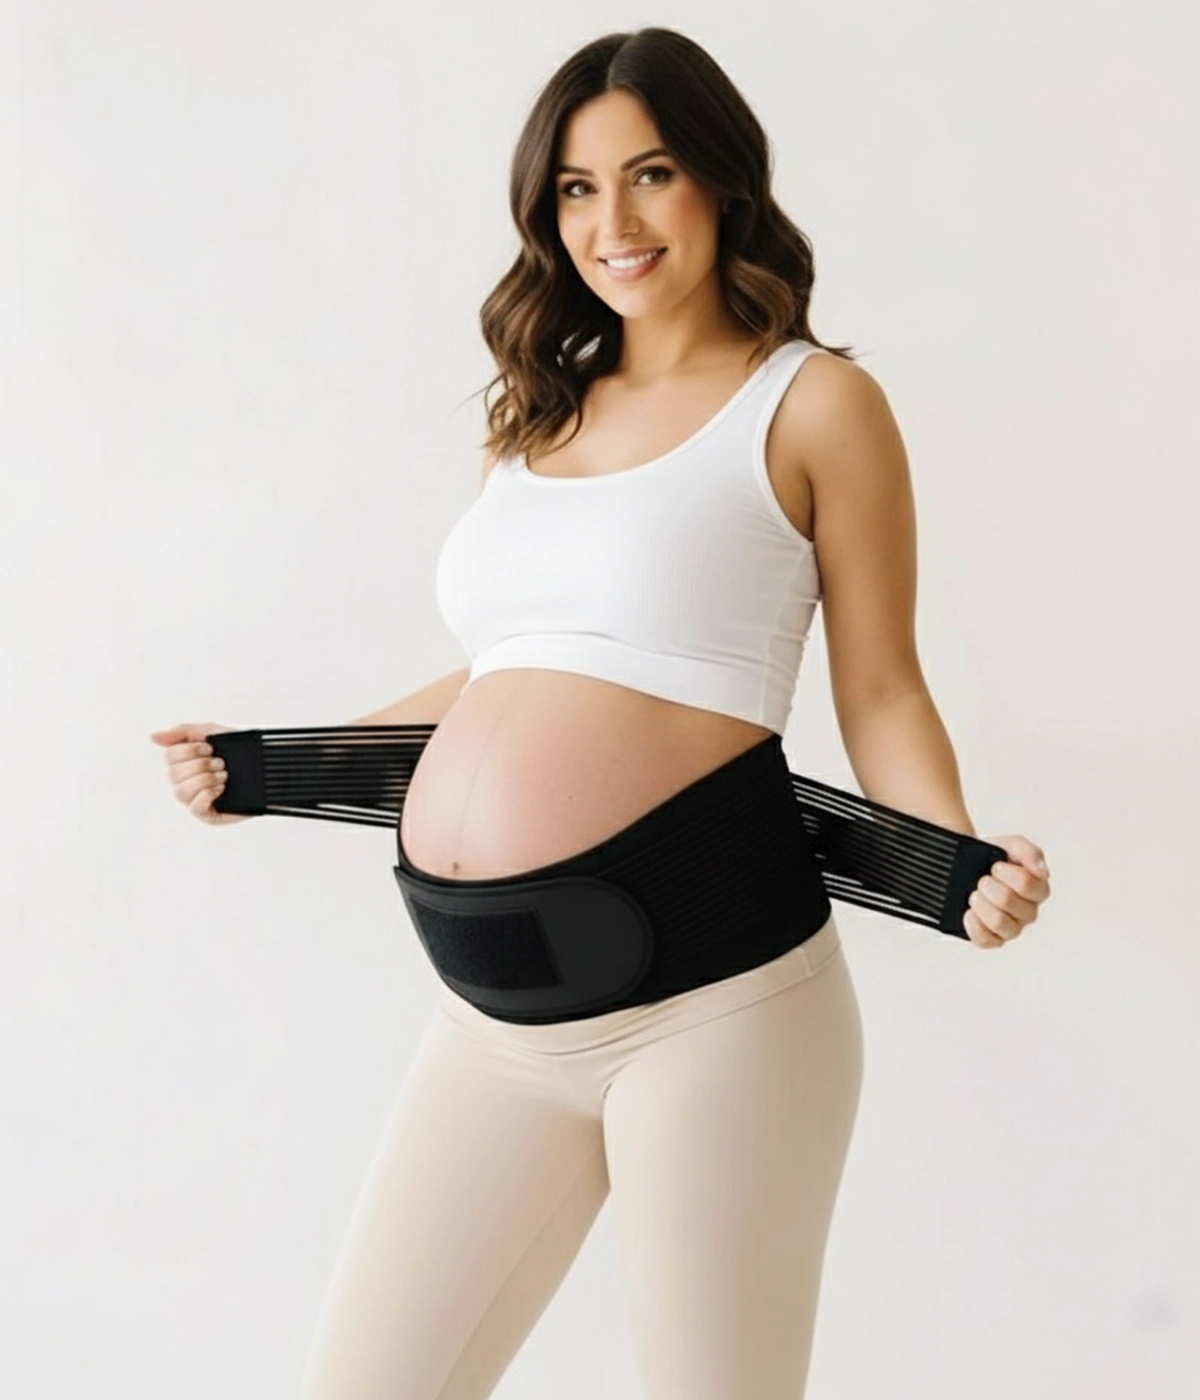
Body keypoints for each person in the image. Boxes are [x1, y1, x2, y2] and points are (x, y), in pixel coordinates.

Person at [150, 26, 1051, 1400]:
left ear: (722, 181)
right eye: (577, 188)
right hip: (494, 1026)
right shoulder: (540, 414)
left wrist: (955, 858)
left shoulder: (813, 403)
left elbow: (880, 683)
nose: (612, 223)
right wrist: (271, 766)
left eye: (650, 174)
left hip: (716, 1010)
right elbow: (509, 679)